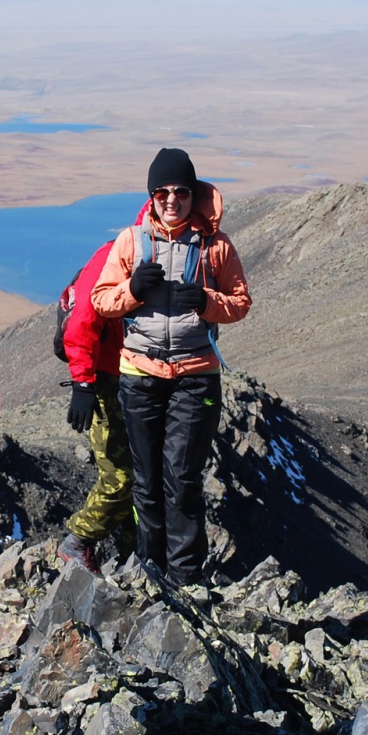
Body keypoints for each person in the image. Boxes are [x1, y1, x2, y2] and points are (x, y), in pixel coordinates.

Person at [91, 147, 252, 586]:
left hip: (195, 374)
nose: (171, 200)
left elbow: (240, 303)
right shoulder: (131, 241)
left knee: (181, 478)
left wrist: (205, 301)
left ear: (192, 193)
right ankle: (151, 570)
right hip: (140, 375)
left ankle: (185, 577)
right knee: (147, 480)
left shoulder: (215, 246)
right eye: (162, 192)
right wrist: (132, 290)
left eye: (181, 191)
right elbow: (101, 301)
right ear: (152, 195)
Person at [58, 239, 133, 573]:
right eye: (163, 194)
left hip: (148, 379)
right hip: (108, 379)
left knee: (149, 473)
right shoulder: (121, 250)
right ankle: (77, 540)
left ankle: (136, 553)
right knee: (121, 475)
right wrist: (84, 384)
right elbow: (81, 322)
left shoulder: (186, 250)